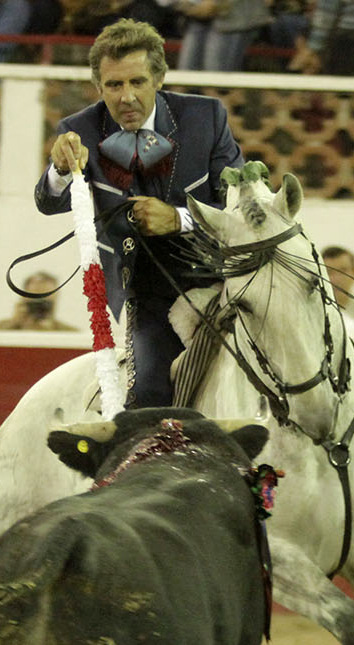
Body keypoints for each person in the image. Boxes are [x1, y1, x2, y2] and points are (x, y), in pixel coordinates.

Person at [35, 18, 243, 407]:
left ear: (159, 79)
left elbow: (237, 209)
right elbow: (49, 202)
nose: (126, 96)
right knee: (148, 395)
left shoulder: (206, 117)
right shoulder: (78, 128)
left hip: (225, 279)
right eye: (114, 85)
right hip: (149, 293)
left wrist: (178, 219)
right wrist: (61, 170)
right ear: (99, 87)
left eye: (137, 82)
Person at [175, 0, 272, 71]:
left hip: (235, 19)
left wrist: (216, 3)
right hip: (196, 19)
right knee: (186, 76)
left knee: (218, 82)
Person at [0, 271, 77, 330]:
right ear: (23, 298)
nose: (40, 306)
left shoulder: (69, 334)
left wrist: (48, 329)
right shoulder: (1, 329)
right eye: (35, 299)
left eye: (45, 301)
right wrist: (15, 324)